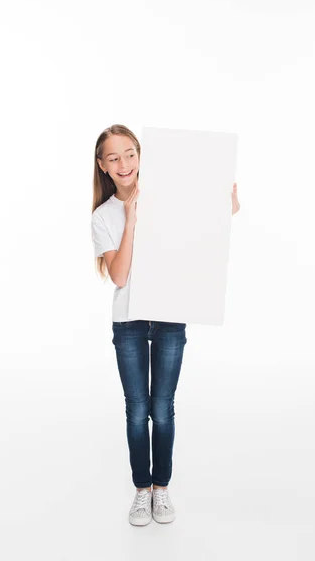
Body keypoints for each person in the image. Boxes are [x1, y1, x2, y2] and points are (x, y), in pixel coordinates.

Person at [91, 124, 240, 526]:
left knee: (163, 408)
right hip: (129, 322)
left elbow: (199, 233)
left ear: (141, 155)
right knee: (138, 410)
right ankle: (142, 490)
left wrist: (224, 205)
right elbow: (120, 277)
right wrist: (133, 218)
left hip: (170, 315)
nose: (124, 163)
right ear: (103, 167)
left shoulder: (168, 198)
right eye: (113, 157)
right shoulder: (104, 216)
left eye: (130, 153)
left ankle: (162, 488)